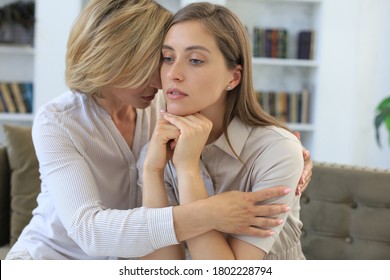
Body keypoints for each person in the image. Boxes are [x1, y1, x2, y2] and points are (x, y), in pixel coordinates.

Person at [5, 0, 311, 260]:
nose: (165, 78)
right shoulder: (58, 120)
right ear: (112, 62)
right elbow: (88, 229)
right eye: (162, 60)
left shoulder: (169, 107)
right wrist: (209, 212)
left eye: (162, 60)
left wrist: (292, 152)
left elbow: (234, 112)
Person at [139, 2, 306, 260]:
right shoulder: (158, 148)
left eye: (195, 60)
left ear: (234, 78)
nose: (173, 73)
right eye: (168, 58)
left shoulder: (277, 151)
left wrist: (187, 168)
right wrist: (152, 172)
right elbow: (163, 267)